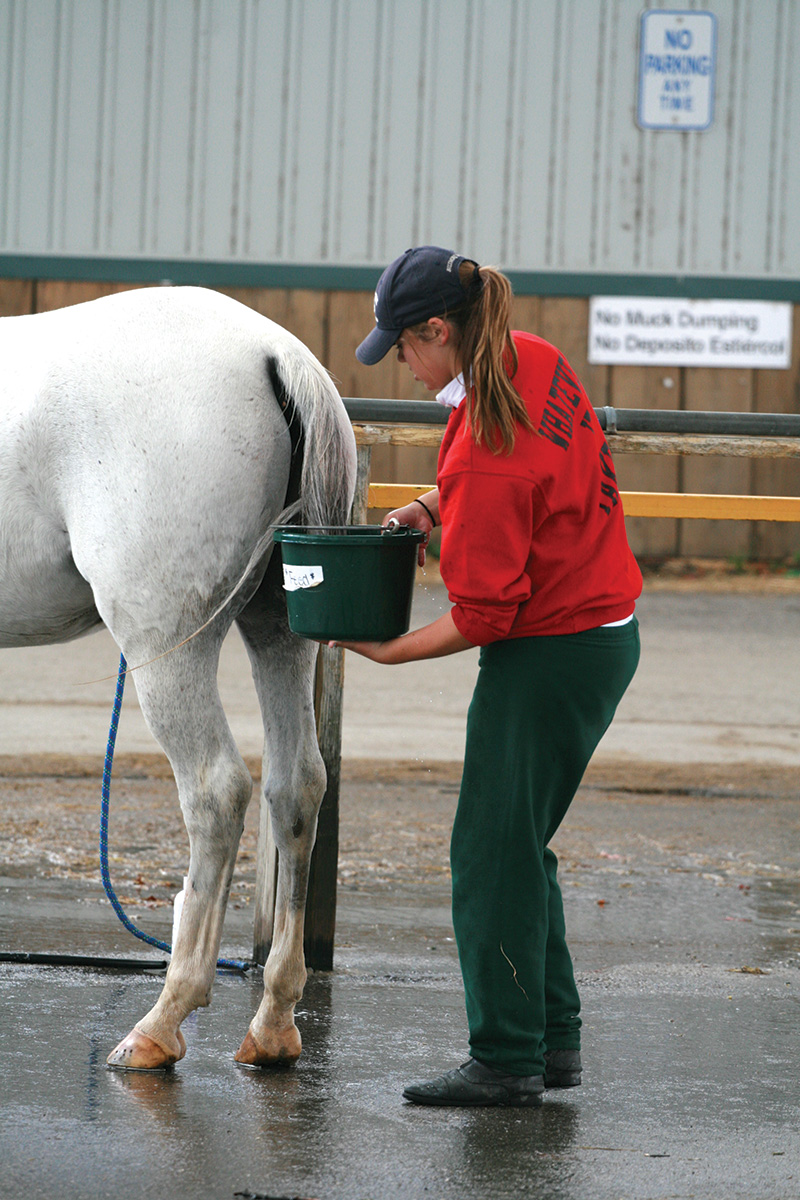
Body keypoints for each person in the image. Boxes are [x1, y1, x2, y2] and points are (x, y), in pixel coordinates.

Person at [339, 245, 642, 1107]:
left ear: (439, 329)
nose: (402, 362)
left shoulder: (485, 447)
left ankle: (506, 1058)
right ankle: (552, 1040)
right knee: (519, 845)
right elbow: (535, 476)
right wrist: (433, 506)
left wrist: (388, 650)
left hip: (550, 651)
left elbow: (483, 616)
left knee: (486, 854)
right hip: (601, 631)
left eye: (404, 345)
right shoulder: (530, 359)